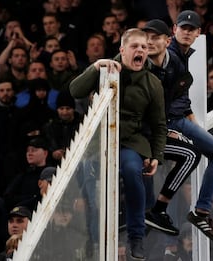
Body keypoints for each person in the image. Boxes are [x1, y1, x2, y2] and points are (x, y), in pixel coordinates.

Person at [69, 28, 167, 260]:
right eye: (135, 46)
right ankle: (94, 242)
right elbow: (75, 90)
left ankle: (136, 236)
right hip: (99, 142)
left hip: (130, 142)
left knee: (133, 171)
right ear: (122, 50)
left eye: (144, 47)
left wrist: (157, 156)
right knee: (93, 188)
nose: (141, 50)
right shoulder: (105, 70)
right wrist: (96, 66)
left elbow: (159, 124)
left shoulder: (152, 82)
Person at [165, 10, 213, 243]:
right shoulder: (167, 55)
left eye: (191, 29)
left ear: (198, 34)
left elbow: (180, 94)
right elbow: (158, 93)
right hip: (169, 122)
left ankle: (200, 212)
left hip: (181, 119)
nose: (187, 32)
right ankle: (186, 215)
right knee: (204, 156)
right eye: (183, 28)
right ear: (174, 29)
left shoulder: (184, 55)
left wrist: (192, 117)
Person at [142, 19, 202, 237]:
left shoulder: (174, 67)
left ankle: (156, 212)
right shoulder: (136, 63)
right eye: (146, 37)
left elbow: (173, 104)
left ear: (167, 41)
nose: (149, 42)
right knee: (188, 154)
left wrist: (168, 128)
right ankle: (150, 214)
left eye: (155, 37)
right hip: (135, 136)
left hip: (155, 133)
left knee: (191, 153)